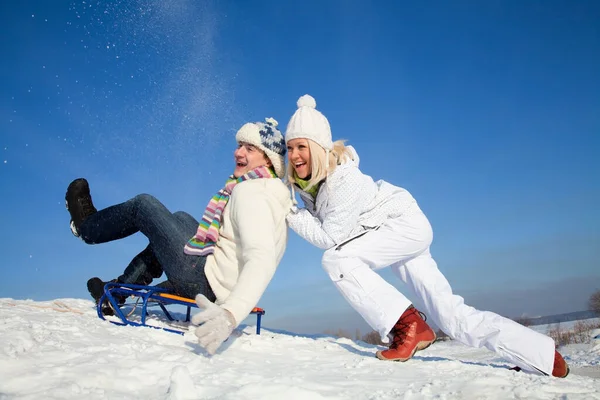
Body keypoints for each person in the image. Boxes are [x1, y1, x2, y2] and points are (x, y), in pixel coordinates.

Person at [283, 94, 569, 378]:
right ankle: (542, 356)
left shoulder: (344, 180)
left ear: (320, 147)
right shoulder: (313, 185)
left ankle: (407, 325)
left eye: (301, 146)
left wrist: (285, 207)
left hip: (401, 226)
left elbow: (329, 237)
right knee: (451, 317)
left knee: (336, 259)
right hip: (394, 230)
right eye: (289, 147)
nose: (294, 155)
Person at [66, 117, 292, 355]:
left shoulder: (251, 193)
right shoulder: (264, 190)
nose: (238, 152)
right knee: (181, 219)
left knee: (144, 206)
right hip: (213, 277)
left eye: (249, 148)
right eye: (239, 146)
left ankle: (87, 227)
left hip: (204, 282)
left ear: (268, 158)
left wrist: (231, 314)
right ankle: (120, 290)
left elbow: (261, 259)